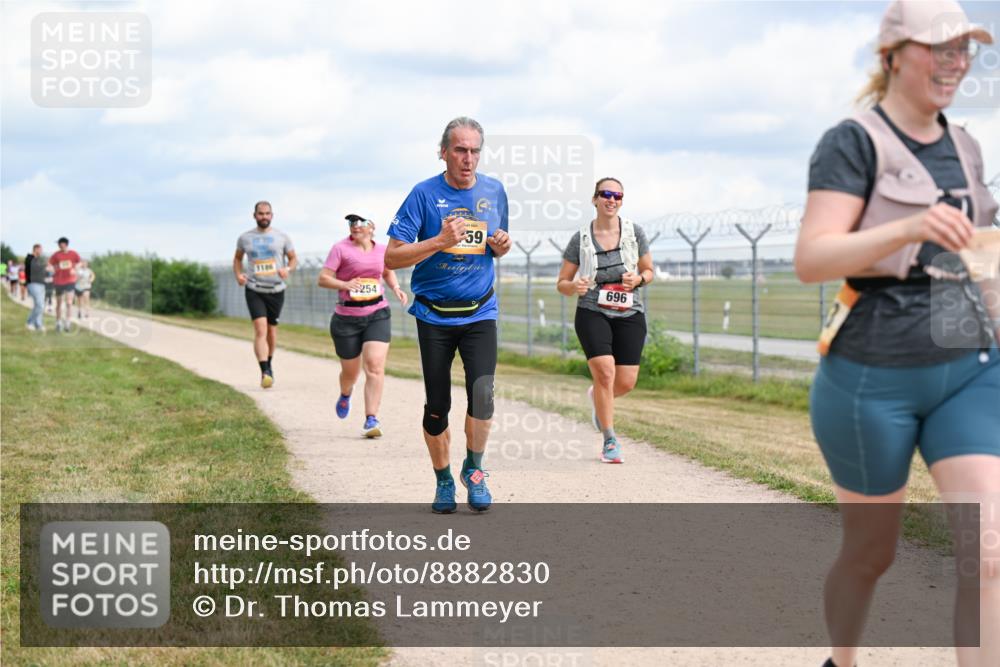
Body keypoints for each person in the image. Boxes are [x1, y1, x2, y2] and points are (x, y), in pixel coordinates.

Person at [794, 3, 999, 666]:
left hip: (966, 367)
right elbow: (812, 259)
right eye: (937, 47)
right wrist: (908, 228)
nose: (955, 61)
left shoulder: (965, 145)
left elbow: (982, 255)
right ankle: (841, 659)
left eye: (963, 48)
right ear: (892, 56)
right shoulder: (853, 140)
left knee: (989, 544)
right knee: (870, 552)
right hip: (870, 376)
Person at [385, 116, 512, 514]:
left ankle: (474, 472)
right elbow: (391, 255)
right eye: (460, 149)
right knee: (437, 405)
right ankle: (443, 480)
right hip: (435, 315)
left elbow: (493, 244)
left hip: (480, 311)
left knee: (483, 396)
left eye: (474, 150)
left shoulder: (495, 190)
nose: (468, 158)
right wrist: (439, 240)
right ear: (443, 152)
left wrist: (502, 245)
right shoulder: (423, 195)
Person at [556, 178, 654, 464]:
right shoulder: (582, 238)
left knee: (625, 382)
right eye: (605, 194)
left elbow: (649, 271)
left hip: (630, 312)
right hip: (592, 311)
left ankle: (597, 397)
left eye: (617, 195)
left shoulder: (635, 233)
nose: (611, 199)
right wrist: (574, 286)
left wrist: (638, 279)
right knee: (605, 372)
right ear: (595, 199)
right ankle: (610, 439)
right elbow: (561, 282)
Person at [318, 214, 408, 438]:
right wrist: (345, 284)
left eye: (360, 223)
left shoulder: (382, 250)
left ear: (372, 228)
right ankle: (346, 393)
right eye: (351, 223)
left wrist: (395, 287)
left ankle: (371, 418)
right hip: (346, 318)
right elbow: (323, 278)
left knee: (375, 366)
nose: (355, 227)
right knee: (351, 373)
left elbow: (386, 270)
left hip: (377, 313)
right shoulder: (340, 249)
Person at [233, 201, 298, 388]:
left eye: (267, 213)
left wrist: (287, 268)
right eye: (260, 214)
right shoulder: (245, 237)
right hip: (254, 288)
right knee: (260, 329)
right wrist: (238, 274)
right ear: (254, 215)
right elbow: (237, 259)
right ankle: (264, 372)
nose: (264, 217)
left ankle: (269, 363)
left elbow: (293, 258)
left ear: (272, 215)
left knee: (271, 331)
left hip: (276, 289)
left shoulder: (282, 237)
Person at [48, 237, 80, 332]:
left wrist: (75, 269)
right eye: (58, 244)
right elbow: (49, 265)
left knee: (69, 302)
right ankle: (58, 322)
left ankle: (67, 323)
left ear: (65, 244)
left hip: (70, 281)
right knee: (59, 303)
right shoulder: (55, 255)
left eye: (60, 244)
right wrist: (52, 268)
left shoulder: (73, 254)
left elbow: (79, 263)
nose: (59, 245)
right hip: (58, 281)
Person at [24, 245, 47, 331]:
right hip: (33, 283)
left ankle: (38, 324)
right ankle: (30, 322)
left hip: (41, 284)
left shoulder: (39, 260)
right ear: (36, 249)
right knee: (40, 305)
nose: (41, 251)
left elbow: (42, 270)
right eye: (40, 249)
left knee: (39, 305)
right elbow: (35, 268)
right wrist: (45, 265)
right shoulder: (29, 258)